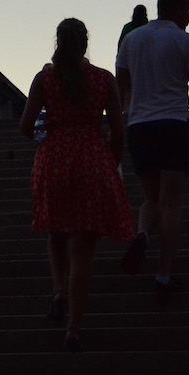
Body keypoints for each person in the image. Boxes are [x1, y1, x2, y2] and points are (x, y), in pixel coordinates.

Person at [20, 19, 134, 353]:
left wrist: (48, 134)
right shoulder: (103, 79)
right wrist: (110, 162)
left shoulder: (44, 79)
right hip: (91, 158)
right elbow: (118, 130)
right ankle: (73, 327)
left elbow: (26, 126)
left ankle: (58, 289)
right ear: (85, 43)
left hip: (54, 158)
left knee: (56, 232)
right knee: (82, 247)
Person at [115, 0, 189, 301]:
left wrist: (119, 128)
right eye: (188, 8)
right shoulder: (184, 40)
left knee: (153, 199)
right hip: (174, 123)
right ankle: (163, 274)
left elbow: (120, 86)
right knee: (172, 204)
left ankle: (143, 234)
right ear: (174, 8)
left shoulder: (131, 40)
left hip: (139, 127)